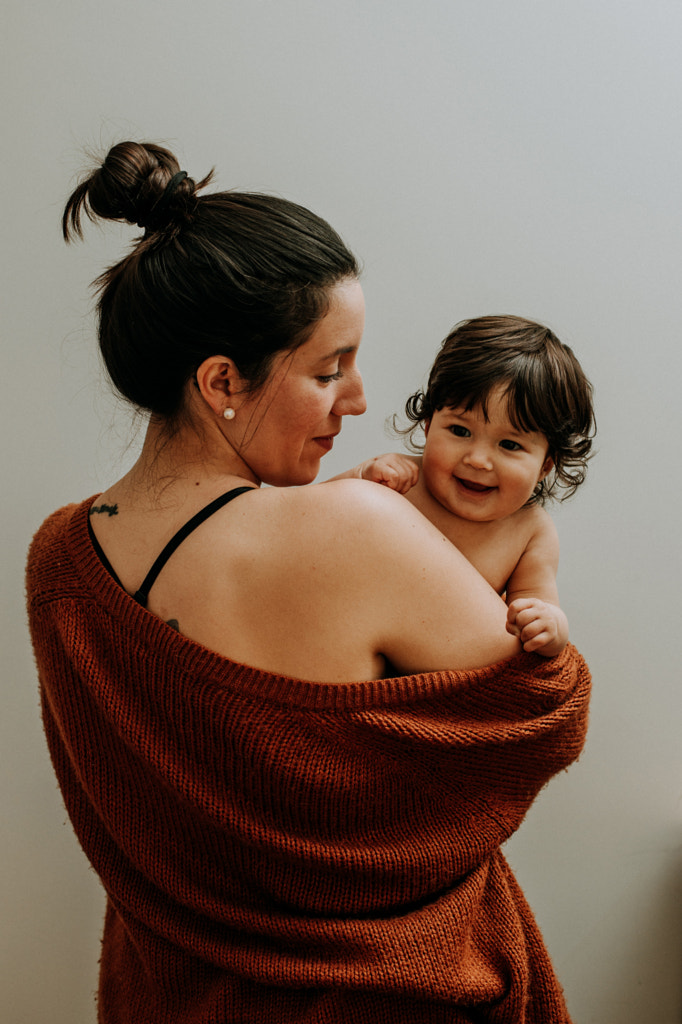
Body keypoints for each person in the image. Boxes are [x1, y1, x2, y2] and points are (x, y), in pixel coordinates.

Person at [26, 141, 591, 1024]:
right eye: (329, 370)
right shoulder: (356, 526)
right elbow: (544, 713)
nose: (361, 400)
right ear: (221, 381)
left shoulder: (58, 560)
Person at [343, 316, 595, 657]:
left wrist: (550, 627)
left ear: (545, 466)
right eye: (460, 432)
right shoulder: (399, 480)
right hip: (357, 649)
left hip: (443, 677)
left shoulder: (529, 531)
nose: (478, 460)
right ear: (429, 425)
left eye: (509, 445)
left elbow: (537, 605)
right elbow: (309, 517)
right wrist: (360, 477)